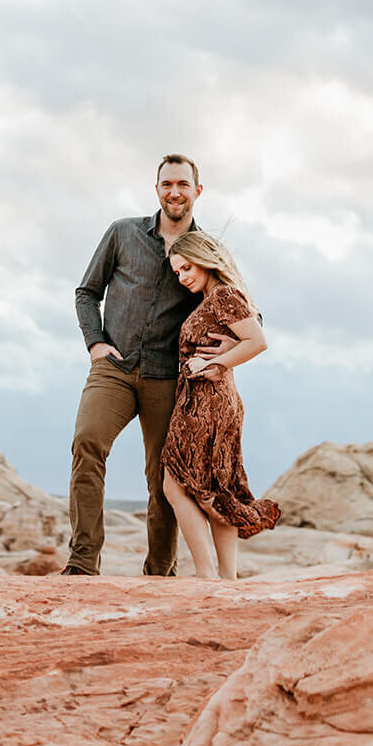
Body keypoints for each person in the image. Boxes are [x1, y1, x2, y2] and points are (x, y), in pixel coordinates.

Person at [65, 154, 236, 576]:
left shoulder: (206, 248)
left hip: (170, 378)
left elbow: (243, 307)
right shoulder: (122, 233)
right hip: (115, 366)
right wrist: (95, 343)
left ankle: (160, 571)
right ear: (156, 189)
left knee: (164, 477)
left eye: (182, 184)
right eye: (166, 184)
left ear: (198, 191)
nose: (174, 192)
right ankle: (83, 563)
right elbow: (87, 292)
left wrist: (223, 352)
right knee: (87, 442)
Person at [161, 231, 279, 580]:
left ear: (205, 258)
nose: (183, 277)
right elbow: (248, 337)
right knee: (216, 488)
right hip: (207, 400)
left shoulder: (223, 295)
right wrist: (224, 358)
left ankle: (206, 575)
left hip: (207, 402)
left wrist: (215, 363)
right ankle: (226, 578)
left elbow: (257, 341)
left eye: (187, 267)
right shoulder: (213, 298)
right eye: (177, 272)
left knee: (176, 484)